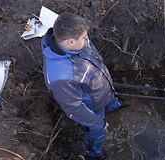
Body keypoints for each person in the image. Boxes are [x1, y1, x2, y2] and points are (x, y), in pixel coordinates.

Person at [42, 13, 127, 160]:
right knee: (96, 132)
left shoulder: (77, 43)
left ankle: (112, 105)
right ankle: (94, 153)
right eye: (84, 38)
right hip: (92, 107)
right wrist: (98, 123)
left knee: (110, 100)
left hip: (102, 88)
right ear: (71, 42)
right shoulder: (60, 77)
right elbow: (75, 109)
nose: (87, 40)